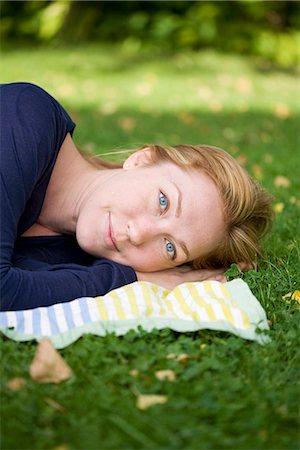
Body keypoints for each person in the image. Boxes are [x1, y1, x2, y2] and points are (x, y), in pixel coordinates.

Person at [0, 82, 273, 311]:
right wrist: (136, 278)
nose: (139, 234)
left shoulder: (72, 254)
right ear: (143, 159)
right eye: (163, 201)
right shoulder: (26, 118)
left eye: (170, 247)